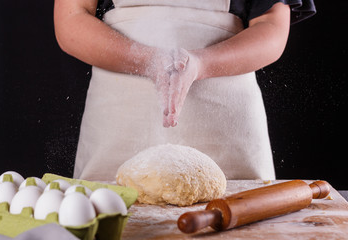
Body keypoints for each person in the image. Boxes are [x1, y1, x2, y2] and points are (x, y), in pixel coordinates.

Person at [54, 0, 316, 181]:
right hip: (120, 123)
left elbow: (271, 27)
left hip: (226, 126)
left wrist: (201, 64)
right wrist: (146, 60)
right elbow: (72, 18)